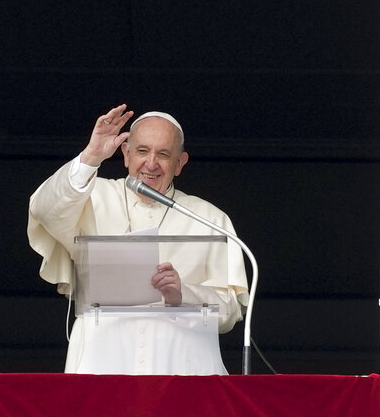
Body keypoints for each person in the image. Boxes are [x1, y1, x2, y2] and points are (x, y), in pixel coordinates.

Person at [28, 104, 249, 374]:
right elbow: (44, 209)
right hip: (102, 359)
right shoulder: (90, 196)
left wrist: (184, 294)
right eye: (142, 151)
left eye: (164, 154)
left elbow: (230, 312)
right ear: (126, 154)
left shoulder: (210, 218)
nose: (151, 163)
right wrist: (90, 157)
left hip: (181, 362)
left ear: (180, 163)